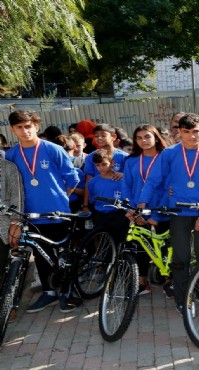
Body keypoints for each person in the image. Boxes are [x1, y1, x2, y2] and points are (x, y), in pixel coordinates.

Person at [138, 113, 199, 315]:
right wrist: (142, 202)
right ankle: (184, 298)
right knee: (181, 258)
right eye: (187, 132)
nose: (192, 136)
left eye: (196, 131)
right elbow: (154, 179)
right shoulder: (169, 153)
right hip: (178, 213)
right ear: (180, 133)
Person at [6, 110, 81, 313]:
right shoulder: (12, 155)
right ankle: (49, 293)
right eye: (19, 127)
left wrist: (61, 198)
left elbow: (72, 178)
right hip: (30, 214)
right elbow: (12, 186)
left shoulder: (53, 149)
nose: (25, 131)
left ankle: (67, 292)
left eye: (28, 126)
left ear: (36, 126)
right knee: (40, 255)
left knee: (62, 254)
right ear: (13, 130)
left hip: (57, 213)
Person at [122, 124, 170, 296]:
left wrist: (157, 214)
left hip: (162, 210)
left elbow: (169, 188)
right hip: (138, 211)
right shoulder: (131, 160)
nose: (144, 140)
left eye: (147, 136)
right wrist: (132, 210)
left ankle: (168, 281)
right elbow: (126, 185)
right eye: (139, 137)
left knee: (164, 247)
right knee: (141, 247)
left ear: (156, 137)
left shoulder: (166, 157)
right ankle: (142, 282)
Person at [86, 150, 129, 245]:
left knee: (121, 243)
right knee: (104, 244)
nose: (101, 168)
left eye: (104, 164)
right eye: (98, 165)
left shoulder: (121, 180)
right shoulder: (93, 182)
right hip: (101, 217)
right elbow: (92, 199)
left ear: (112, 163)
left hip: (120, 216)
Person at [82, 124, 128, 212]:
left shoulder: (124, 157)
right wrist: (85, 204)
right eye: (96, 136)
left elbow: (133, 178)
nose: (99, 138)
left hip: (121, 206)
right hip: (100, 204)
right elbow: (89, 180)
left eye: (103, 135)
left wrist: (124, 175)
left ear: (113, 137)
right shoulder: (90, 157)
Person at [0, 155, 24, 322]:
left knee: (5, 269)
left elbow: (17, 196)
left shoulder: (8, 167)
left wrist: (16, 223)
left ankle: (8, 307)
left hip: (4, 225)